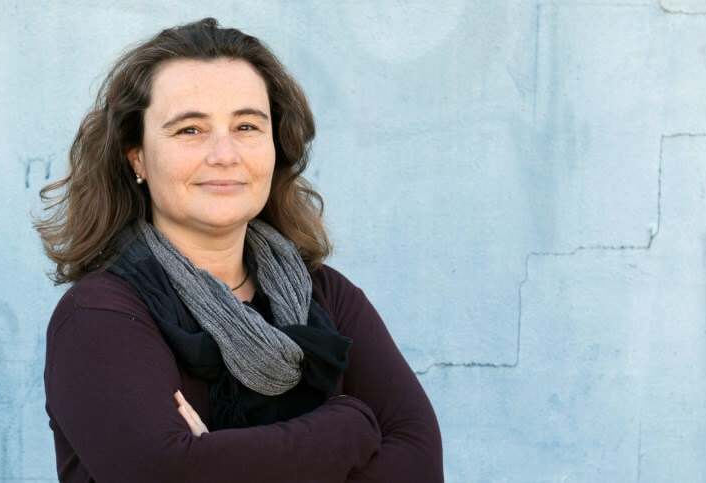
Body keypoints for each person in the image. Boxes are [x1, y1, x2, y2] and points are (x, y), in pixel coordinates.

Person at [36, 18, 443, 482]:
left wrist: (216, 458)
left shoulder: (326, 295)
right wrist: (347, 427)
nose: (225, 154)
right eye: (190, 130)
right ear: (138, 157)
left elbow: (419, 463)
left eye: (247, 126)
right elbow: (165, 474)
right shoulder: (100, 316)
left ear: (275, 145)